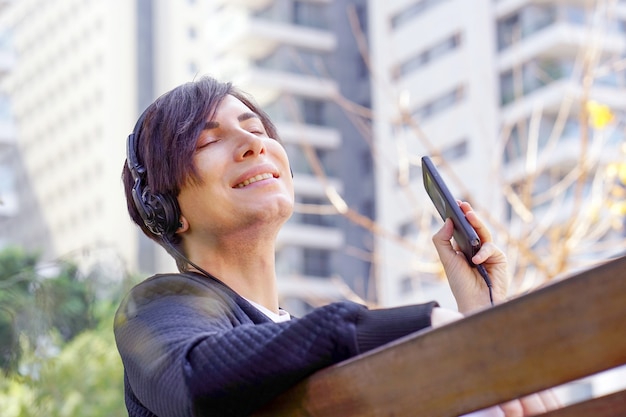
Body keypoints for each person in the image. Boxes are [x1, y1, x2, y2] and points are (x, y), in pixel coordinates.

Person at [114, 76, 559, 417]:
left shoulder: (302, 344)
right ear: (164, 208)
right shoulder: (155, 307)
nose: (254, 144)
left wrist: (483, 317)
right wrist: (417, 326)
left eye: (257, 130)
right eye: (208, 140)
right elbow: (191, 380)